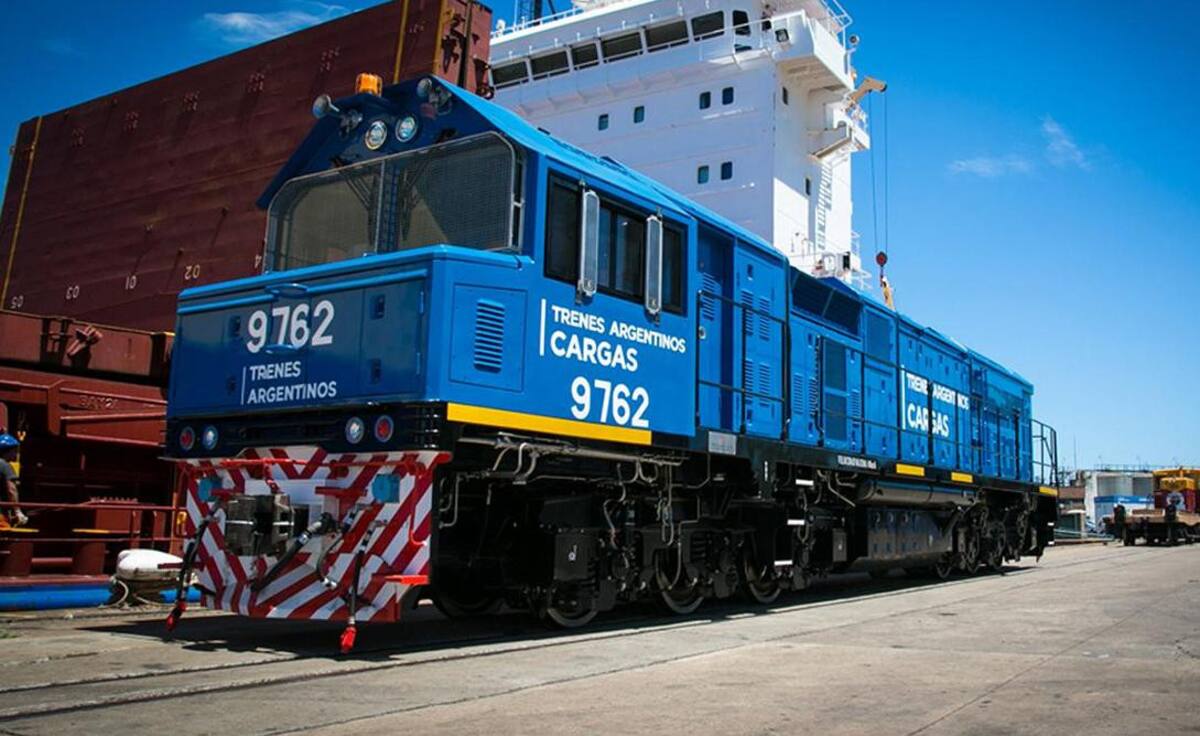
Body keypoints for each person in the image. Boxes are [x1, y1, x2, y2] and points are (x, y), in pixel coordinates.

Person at [0, 433, 26, 527]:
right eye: (15, 451)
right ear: (9, 451)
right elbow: (12, 490)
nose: (16, 454)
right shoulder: (5, 466)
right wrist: (17, 511)